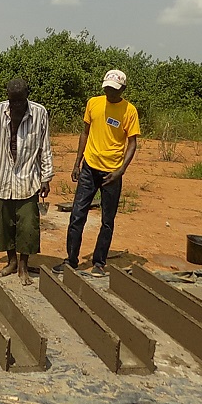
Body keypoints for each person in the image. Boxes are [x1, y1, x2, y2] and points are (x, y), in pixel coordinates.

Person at [53, 69, 140, 277]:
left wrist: (120, 171)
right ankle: (71, 260)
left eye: (114, 89)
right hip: (89, 168)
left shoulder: (129, 111)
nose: (110, 92)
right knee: (77, 215)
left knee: (107, 220)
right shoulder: (93, 103)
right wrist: (77, 162)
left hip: (112, 172)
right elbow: (85, 133)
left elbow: (132, 143)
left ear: (123, 89)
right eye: (107, 88)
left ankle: (99, 262)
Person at [0, 79, 53, 286]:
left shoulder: (39, 113)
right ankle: (11, 261)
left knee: (28, 225)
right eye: (12, 101)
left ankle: (23, 265)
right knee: (5, 224)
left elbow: (45, 147)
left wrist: (46, 177)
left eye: (20, 101)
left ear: (27, 97)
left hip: (29, 178)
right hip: (3, 178)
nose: (16, 106)